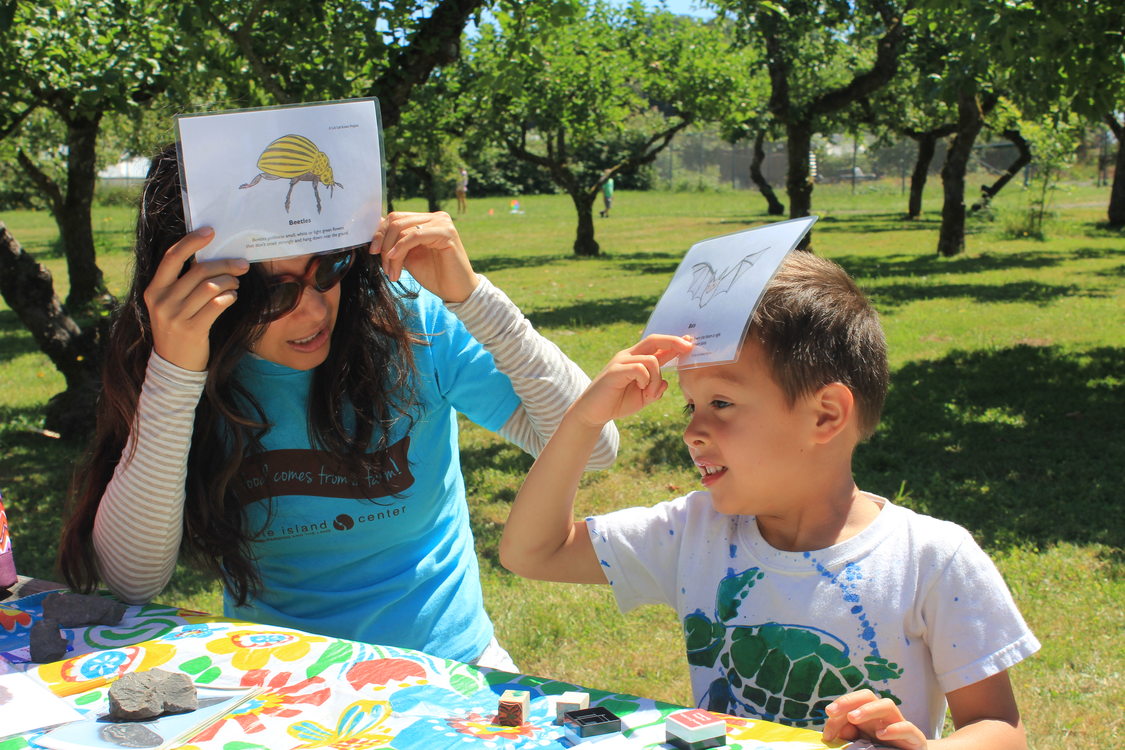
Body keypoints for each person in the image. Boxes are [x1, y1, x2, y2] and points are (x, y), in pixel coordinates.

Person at [58, 144, 618, 670]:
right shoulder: (181, 357)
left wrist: (470, 297)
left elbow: (593, 447)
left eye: (327, 269)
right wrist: (175, 373)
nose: (312, 312)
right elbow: (133, 580)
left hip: (449, 668)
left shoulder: (407, 324)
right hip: (279, 678)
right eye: (271, 294)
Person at [500, 252, 1039, 747]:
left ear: (826, 414)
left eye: (720, 402)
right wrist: (584, 421)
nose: (693, 431)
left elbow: (1000, 727)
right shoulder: (693, 531)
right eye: (690, 407)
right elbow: (533, 552)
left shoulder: (932, 559)